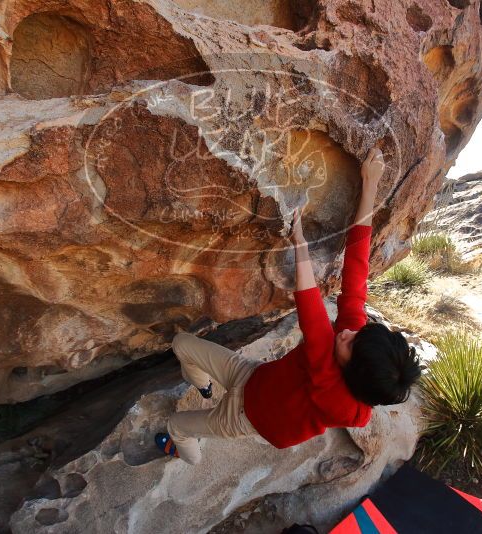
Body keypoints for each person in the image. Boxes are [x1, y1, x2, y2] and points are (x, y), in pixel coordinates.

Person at [155, 147, 422, 464]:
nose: (347, 332)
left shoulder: (336, 394)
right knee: (181, 343)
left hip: (247, 418)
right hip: (252, 377)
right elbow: (356, 273)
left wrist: (300, 245)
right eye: (357, 334)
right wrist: (370, 186)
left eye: (351, 344)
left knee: (176, 425)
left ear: (352, 374)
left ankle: (185, 453)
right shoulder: (354, 340)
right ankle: (203, 386)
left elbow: (312, 312)